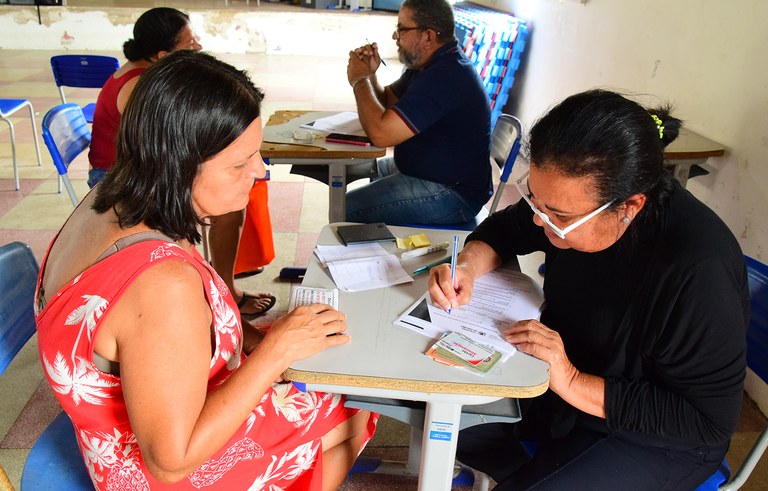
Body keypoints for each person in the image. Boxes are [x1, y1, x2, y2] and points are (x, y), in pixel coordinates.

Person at [35, 50, 376, 490]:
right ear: (177, 166)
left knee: (327, 383)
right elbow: (171, 462)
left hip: (112, 435)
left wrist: (268, 341)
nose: (260, 171)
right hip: (161, 472)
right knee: (354, 404)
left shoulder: (109, 198)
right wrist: (275, 354)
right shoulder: (162, 285)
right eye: (241, 163)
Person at [428, 89, 748, 489]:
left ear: (628, 207)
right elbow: (506, 229)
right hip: (563, 387)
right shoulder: (568, 203)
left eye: (557, 215)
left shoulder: (697, 271)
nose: (541, 222)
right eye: (536, 201)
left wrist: (573, 380)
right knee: (440, 420)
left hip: (655, 437)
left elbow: (704, 420)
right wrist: (468, 268)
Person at [344, 0, 492, 226]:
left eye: (401, 29)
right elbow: (386, 102)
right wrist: (371, 74)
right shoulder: (429, 65)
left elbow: (381, 134)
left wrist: (359, 80)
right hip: (425, 172)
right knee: (347, 168)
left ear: (428, 37)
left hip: (452, 193)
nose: (395, 37)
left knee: (344, 209)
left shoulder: (444, 77)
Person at [87, 7, 201, 188]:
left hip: (127, 168)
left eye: (196, 39)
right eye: (190, 45)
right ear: (162, 55)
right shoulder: (138, 83)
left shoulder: (142, 68)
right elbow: (164, 142)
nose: (198, 47)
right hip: (114, 178)